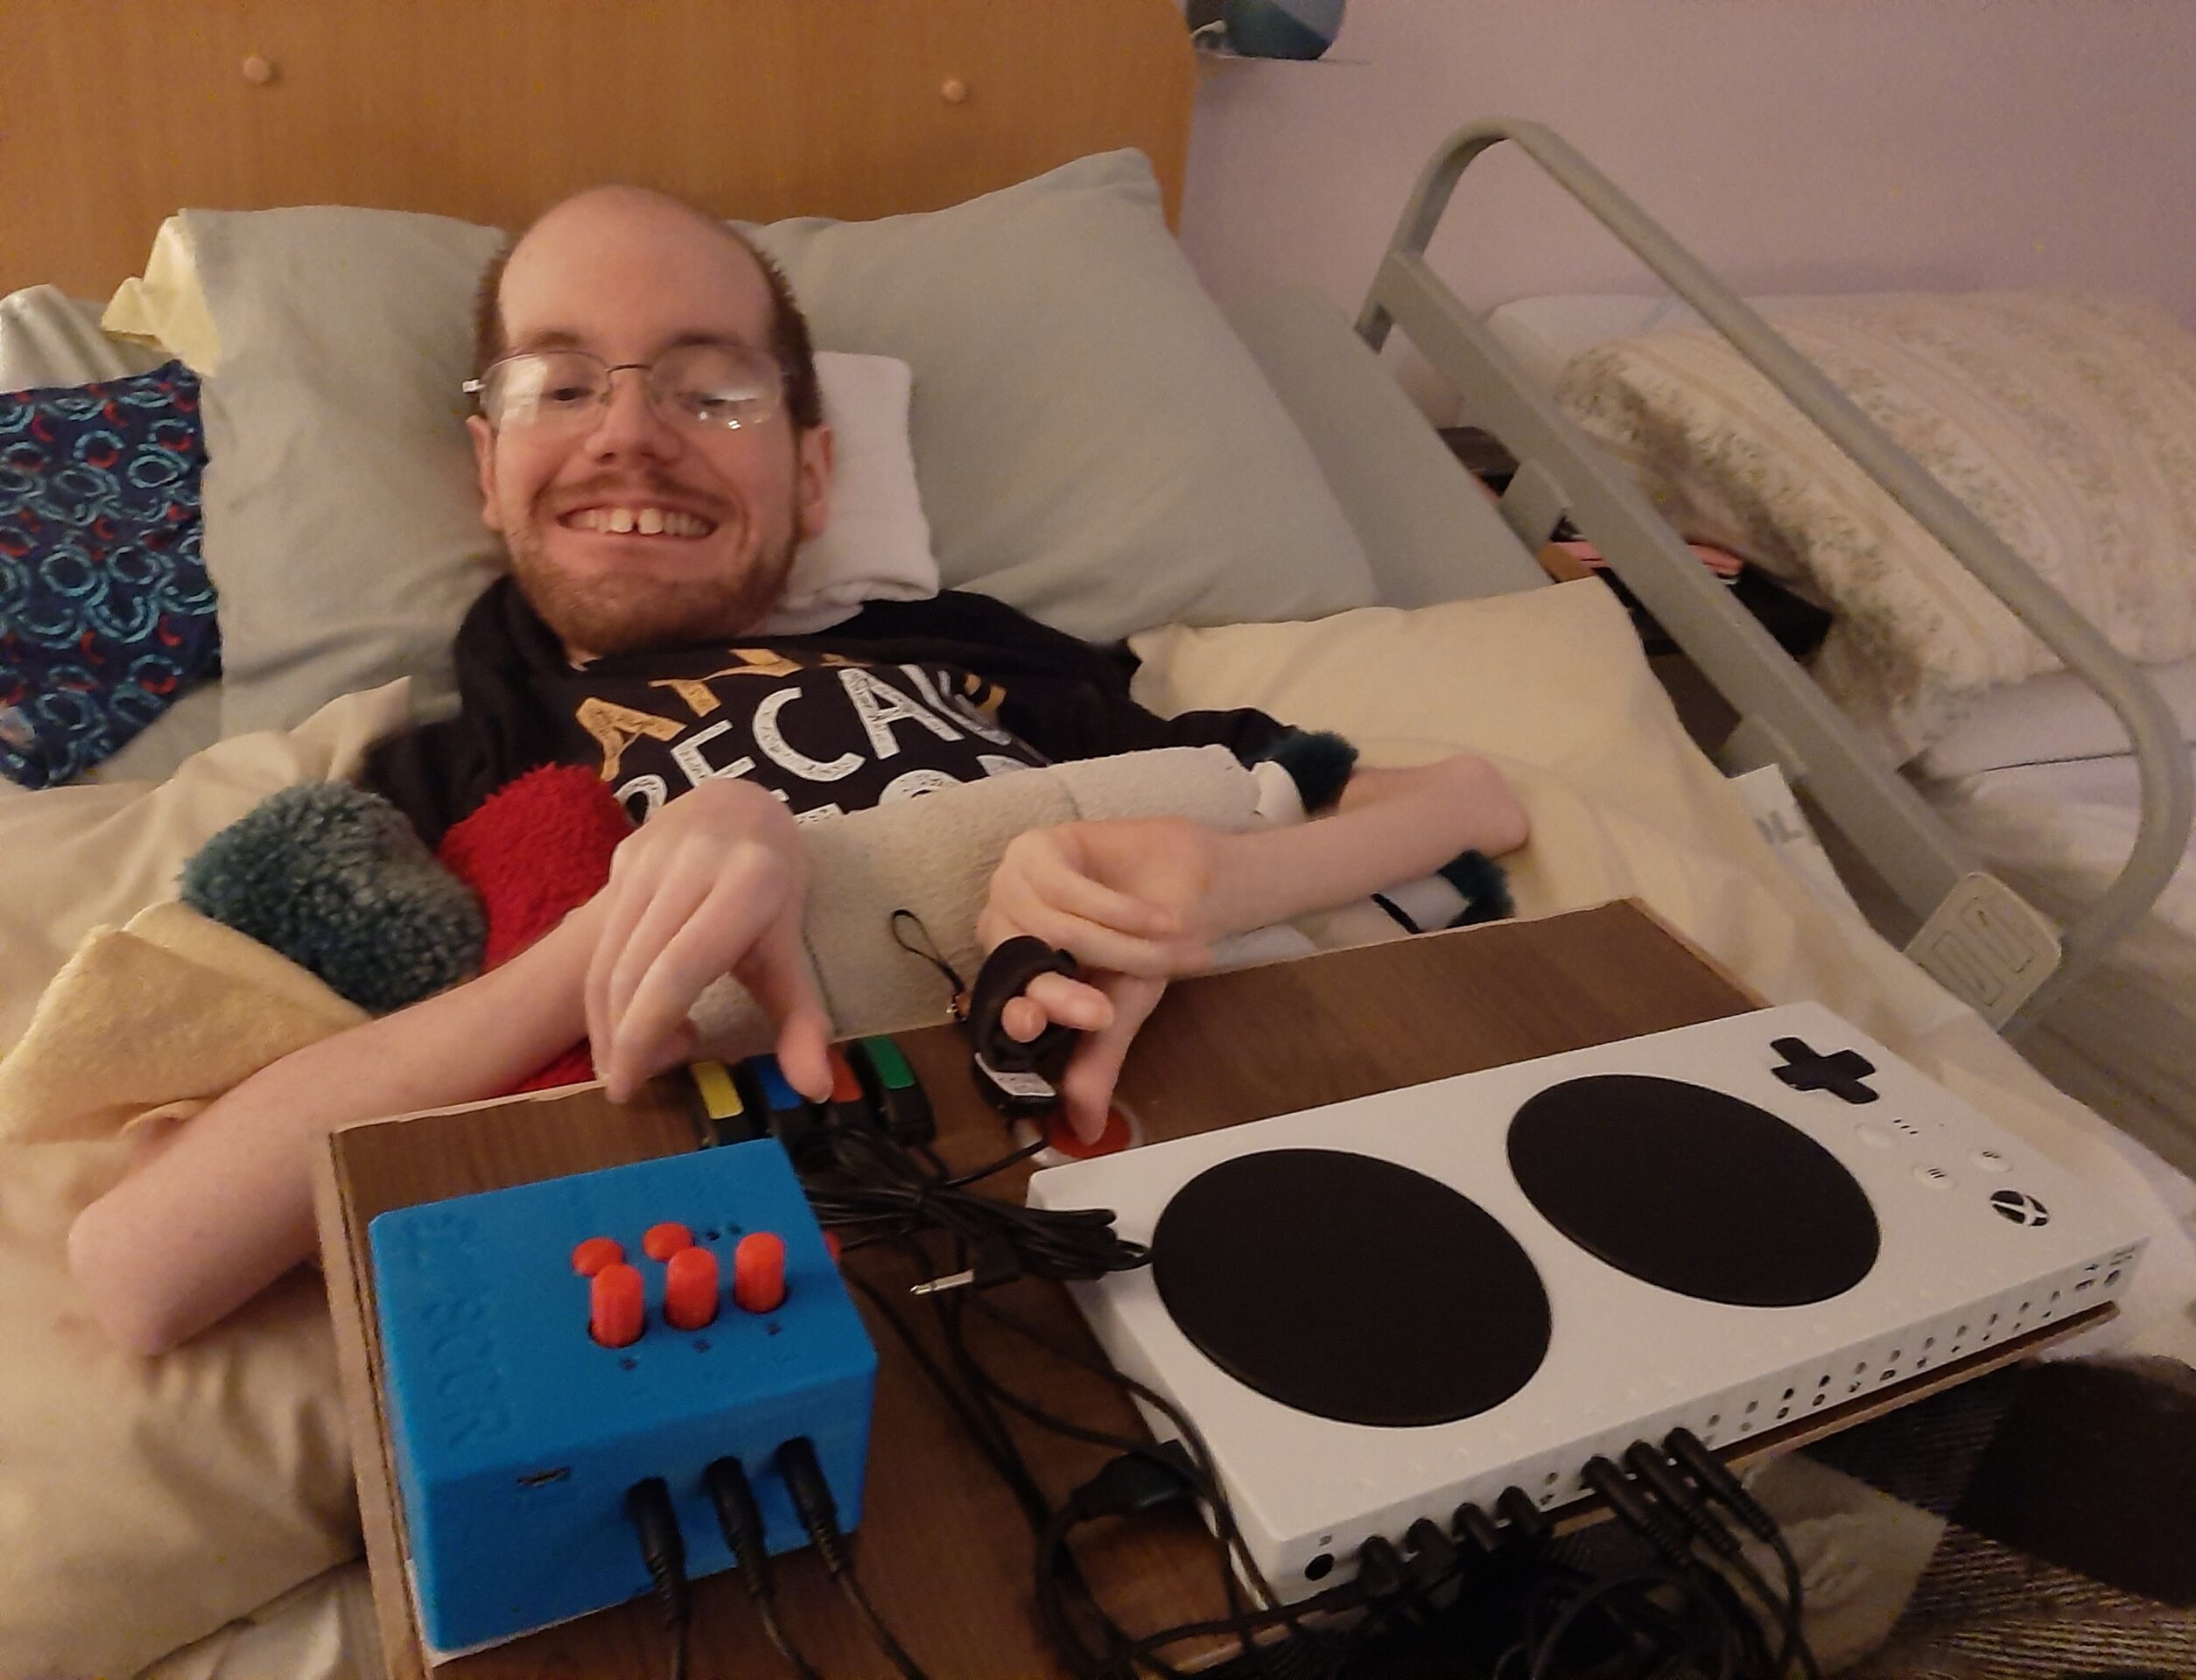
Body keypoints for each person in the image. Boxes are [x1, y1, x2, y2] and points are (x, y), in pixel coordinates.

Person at [68, 186, 1528, 1355]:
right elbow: (143, 1267)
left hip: (1258, 1166)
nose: (630, 432)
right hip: (855, 1300)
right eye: (560, 387)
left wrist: (1219, 869)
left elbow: (1470, 804)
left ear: (815, 473)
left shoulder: (985, 652)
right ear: (485, 465)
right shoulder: (448, 763)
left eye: (711, 395)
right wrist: (633, 917)